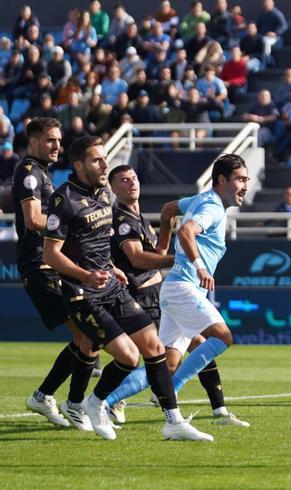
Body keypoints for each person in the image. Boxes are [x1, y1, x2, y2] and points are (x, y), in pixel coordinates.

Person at [43, 136, 211, 441]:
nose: (104, 164)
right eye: (96, 160)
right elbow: (50, 254)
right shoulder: (63, 198)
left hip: (111, 284)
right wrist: (86, 274)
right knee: (128, 357)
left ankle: (173, 422)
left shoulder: (106, 194)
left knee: (155, 348)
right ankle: (96, 403)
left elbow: (99, 244)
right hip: (81, 291)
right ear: (79, 165)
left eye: (105, 158)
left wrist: (114, 268)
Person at [102, 155, 248, 418]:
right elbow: (186, 232)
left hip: (173, 289)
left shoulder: (202, 199)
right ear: (222, 180)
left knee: (166, 363)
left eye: (247, 179)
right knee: (222, 337)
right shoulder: (212, 207)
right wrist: (199, 265)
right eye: (240, 179)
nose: (245, 186)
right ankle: (174, 391)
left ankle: (104, 401)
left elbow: (169, 209)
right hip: (183, 287)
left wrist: (161, 246)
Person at [14, 118, 100, 430]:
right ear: (34, 141)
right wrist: (69, 219)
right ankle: (70, 403)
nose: (57, 146)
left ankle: (47, 396)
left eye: (59, 140)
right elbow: (34, 219)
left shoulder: (42, 173)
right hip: (40, 265)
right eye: (51, 140)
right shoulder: (28, 172)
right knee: (88, 336)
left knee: (87, 337)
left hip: (52, 265)